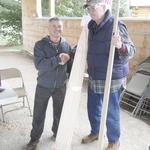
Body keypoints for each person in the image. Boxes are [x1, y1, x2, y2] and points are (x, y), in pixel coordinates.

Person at [81, 0, 136, 150]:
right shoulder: (91, 25)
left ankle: (114, 140)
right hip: (94, 74)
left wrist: (120, 46)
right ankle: (96, 132)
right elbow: (87, 47)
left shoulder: (116, 24)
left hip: (112, 77)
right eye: (88, 8)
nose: (90, 11)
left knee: (110, 110)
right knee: (93, 108)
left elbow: (131, 51)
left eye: (94, 7)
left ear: (105, 6)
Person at [26, 17, 71, 150]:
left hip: (60, 86)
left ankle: (57, 133)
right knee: (39, 113)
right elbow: (39, 65)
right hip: (44, 86)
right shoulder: (40, 45)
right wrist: (57, 59)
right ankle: (34, 139)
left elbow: (69, 65)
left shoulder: (66, 44)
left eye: (59, 26)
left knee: (59, 113)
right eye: (54, 26)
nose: (57, 29)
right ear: (48, 28)